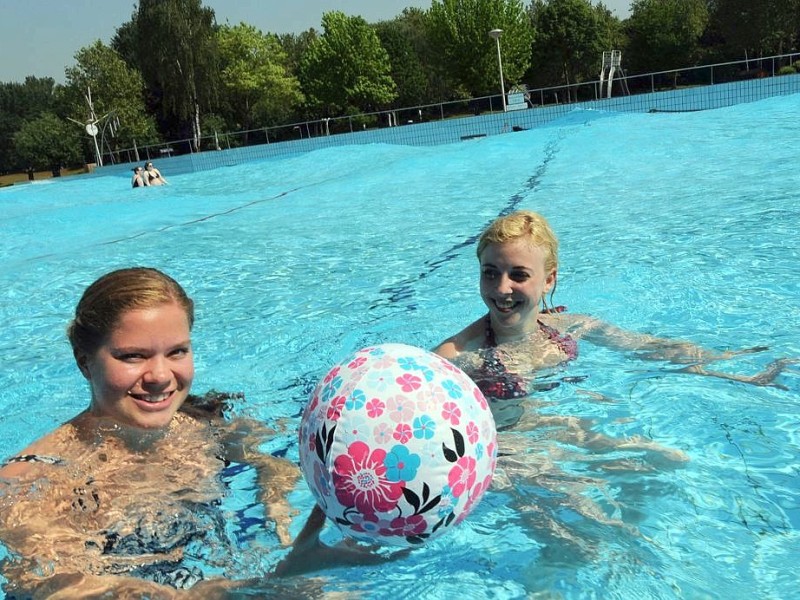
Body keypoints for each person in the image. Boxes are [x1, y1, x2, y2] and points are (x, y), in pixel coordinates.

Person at [0, 267, 349, 597]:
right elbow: (48, 586)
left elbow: (270, 460)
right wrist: (260, 587)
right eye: (133, 356)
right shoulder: (33, 482)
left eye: (177, 352)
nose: (161, 376)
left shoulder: (202, 426)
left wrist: (277, 509)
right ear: (84, 361)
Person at [433, 209, 794, 397]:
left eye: (519, 275)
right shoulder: (454, 355)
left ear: (549, 280)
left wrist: (728, 365)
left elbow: (650, 349)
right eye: (490, 272)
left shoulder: (571, 326)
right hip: (518, 453)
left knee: (661, 460)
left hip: (568, 426)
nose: (502, 288)